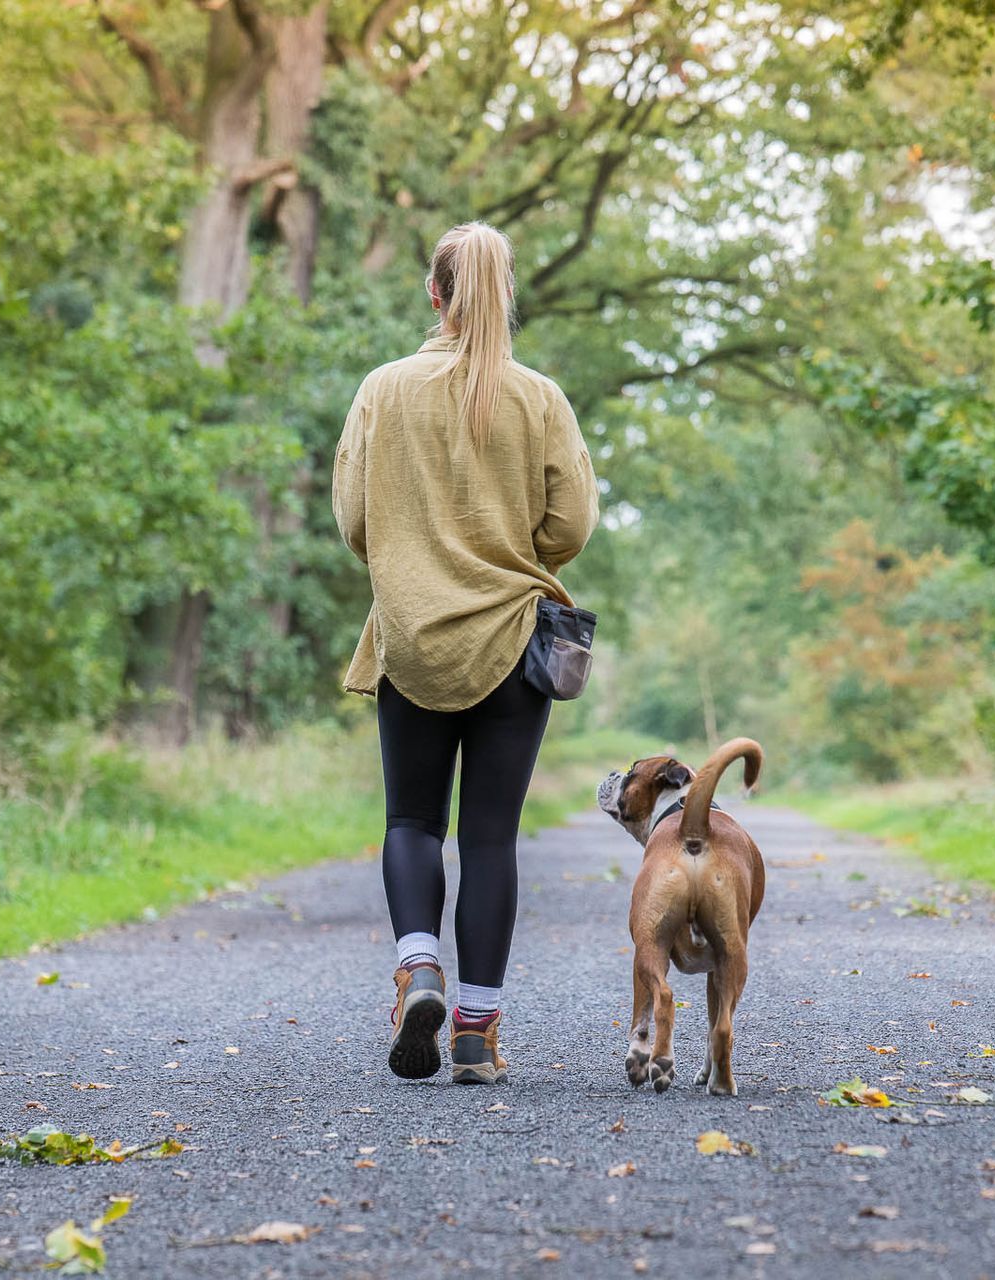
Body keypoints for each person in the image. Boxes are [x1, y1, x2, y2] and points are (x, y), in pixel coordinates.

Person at [331, 221, 599, 1084]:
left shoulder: (384, 389)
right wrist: (512, 554)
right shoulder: (539, 398)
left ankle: (419, 969)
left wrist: (414, 558)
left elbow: (353, 521)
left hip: (412, 635)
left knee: (412, 821)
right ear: (505, 295)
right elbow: (573, 525)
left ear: (434, 294)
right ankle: (478, 1035)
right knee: (491, 840)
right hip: (514, 638)